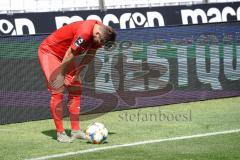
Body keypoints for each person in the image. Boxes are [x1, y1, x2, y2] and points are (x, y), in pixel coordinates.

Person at [38, 20, 116, 143]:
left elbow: (90, 54)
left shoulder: (101, 31)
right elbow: (70, 53)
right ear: (97, 35)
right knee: (58, 89)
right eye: (101, 42)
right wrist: (61, 74)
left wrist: (77, 73)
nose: (100, 44)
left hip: (65, 56)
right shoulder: (85, 32)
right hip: (49, 52)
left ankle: (75, 131)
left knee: (76, 88)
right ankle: (60, 133)